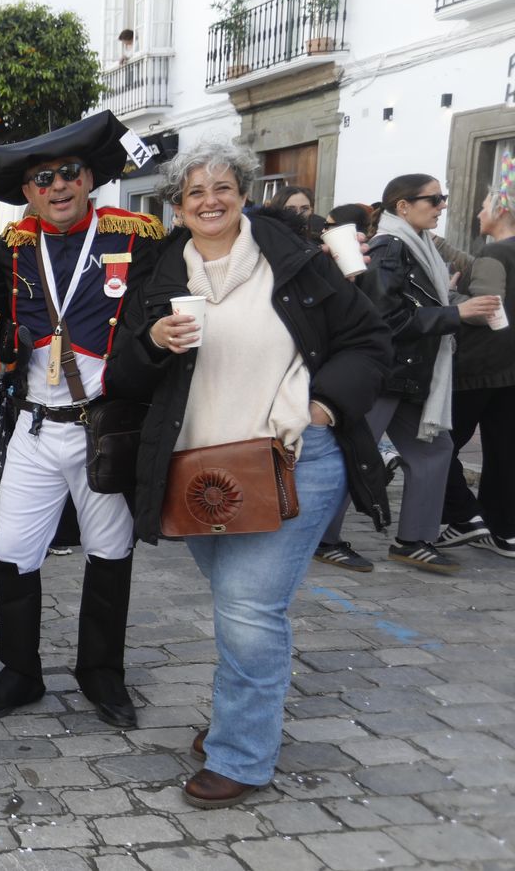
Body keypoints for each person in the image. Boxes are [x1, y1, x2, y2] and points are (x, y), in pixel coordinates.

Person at [108, 141, 391, 808]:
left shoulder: (294, 260)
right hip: (198, 472)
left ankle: (242, 752)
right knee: (238, 605)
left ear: (242, 193)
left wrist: (322, 407)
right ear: (176, 205)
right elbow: (122, 376)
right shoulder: (159, 270)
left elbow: (368, 340)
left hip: (291, 459)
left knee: (249, 610)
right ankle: (242, 718)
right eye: (194, 192)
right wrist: (152, 342)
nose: (210, 200)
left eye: (222, 187)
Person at [0, 111, 168, 727]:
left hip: (102, 428)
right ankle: (20, 670)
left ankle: (102, 673)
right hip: (34, 427)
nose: (57, 186)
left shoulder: (136, 238)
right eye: (43, 179)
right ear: (27, 193)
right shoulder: (7, 251)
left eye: (69, 173)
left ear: (89, 179)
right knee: (12, 548)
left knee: (109, 550)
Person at [316, 174, 501, 573]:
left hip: (410, 373)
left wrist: (455, 305)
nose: (442, 206)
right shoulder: (390, 247)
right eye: (434, 199)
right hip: (383, 372)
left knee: (434, 451)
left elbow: (415, 302)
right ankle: (321, 538)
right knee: (356, 454)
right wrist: (455, 313)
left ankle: (414, 540)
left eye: (442, 198)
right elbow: (386, 319)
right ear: (403, 206)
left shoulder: (419, 247)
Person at [439, 149, 515, 557]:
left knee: (437, 444)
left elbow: (486, 309)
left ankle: (465, 517)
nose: (478, 212)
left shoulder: (495, 252)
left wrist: (449, 296)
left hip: (480, 366)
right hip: (509, 370)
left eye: (484, 205)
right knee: (504, 450)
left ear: (501, 210)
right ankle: (504, 530)